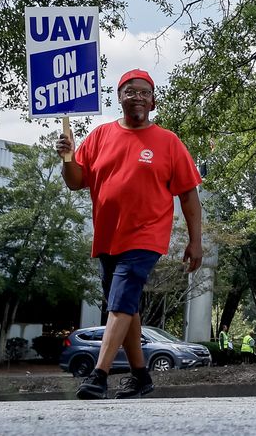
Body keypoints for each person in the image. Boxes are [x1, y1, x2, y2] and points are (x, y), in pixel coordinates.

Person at [57, 69, 203, 400]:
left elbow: (189, 196)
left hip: (146, 236)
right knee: (124, 304)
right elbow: (75, 181)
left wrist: (196, 241)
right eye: (129, 91)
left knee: (121, 300)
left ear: (153, 101)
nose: (136, 96)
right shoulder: (99, 136)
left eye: (143, 92)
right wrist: (67, 157)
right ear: (119, 98)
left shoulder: (169, 142)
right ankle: (140, 376)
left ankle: (99, 374)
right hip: (108, 237)